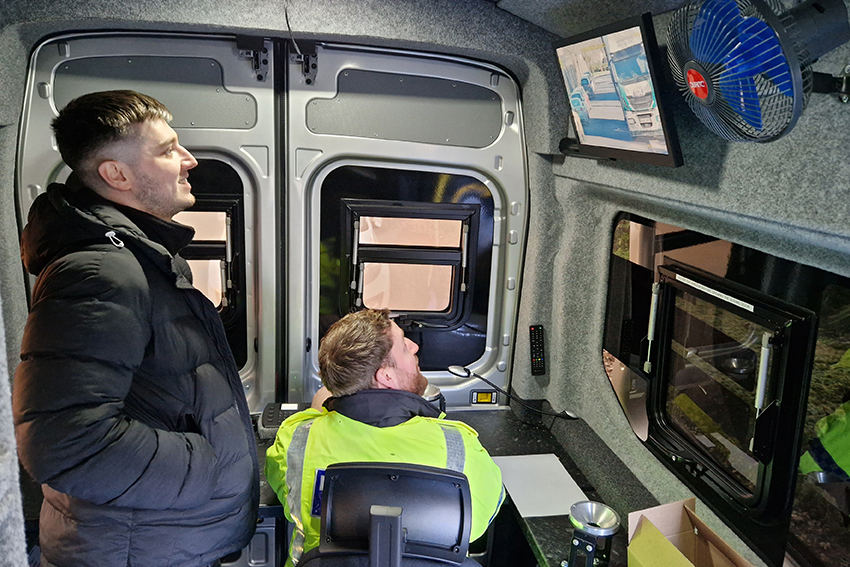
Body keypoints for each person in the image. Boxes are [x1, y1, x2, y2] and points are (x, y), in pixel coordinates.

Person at [13, 90, 259, 567]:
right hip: (137, 549)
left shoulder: (141, 260)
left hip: (156, 540)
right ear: (116, 174)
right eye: (168, 150)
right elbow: (64, 443)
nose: (188, 160)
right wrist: (207, 466)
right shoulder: (102, 271)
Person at [265, 308, 504, 566]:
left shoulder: (296, 441)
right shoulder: (458, 445)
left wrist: (323, 404)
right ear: (385, 377)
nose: (414, 346)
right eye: (403, 345)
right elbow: (481, 520)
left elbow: (283, 488)